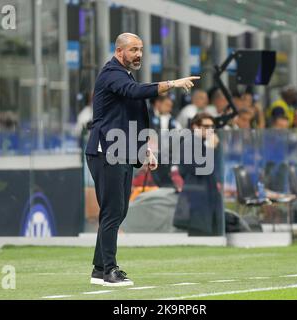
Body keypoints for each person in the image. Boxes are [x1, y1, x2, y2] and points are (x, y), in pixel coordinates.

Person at [85, 33, 199, 287]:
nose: (138, 54)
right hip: (107, 152)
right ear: (118, 51)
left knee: (117, 211)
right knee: (113, 211)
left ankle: (99, 268)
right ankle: (109, 270)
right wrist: (172, 83)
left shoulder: (123, 74)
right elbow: (135, 92)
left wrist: (144, 149)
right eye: (134, 49)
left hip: (122, 151)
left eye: (141, 49)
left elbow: (129, 118)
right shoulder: (111, 73)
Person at [173, 113, 223, 236]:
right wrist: (210, 148)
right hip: (196, 196)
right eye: (206, 126)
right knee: (200, 234)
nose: (210, 130)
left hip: (209, 194)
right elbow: (198, 168)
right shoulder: (188, 143)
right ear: (195, 126)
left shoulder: (206, 144)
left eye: (212, 127)